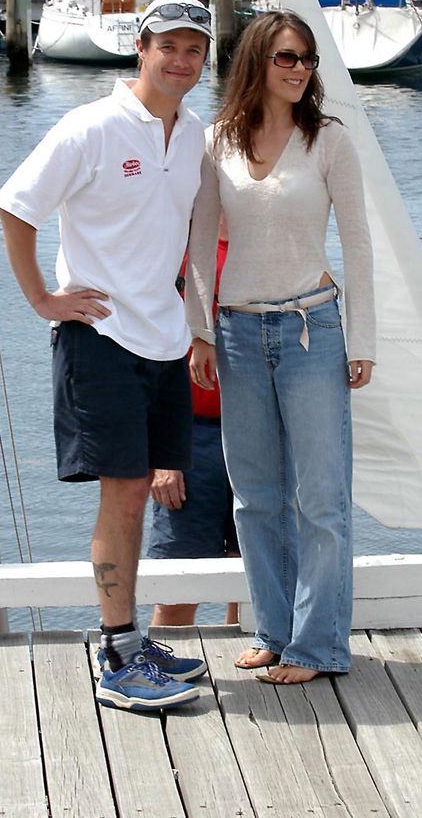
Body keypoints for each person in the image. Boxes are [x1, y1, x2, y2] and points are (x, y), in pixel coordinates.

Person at [0, 0, 213, 713]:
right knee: (121, 495)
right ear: (140, 47)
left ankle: (131, 642)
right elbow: (15, 205)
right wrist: (43, 300)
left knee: (138, 492)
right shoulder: (89, 126)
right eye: (167, 45)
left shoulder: (194, 136)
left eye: (194, 48)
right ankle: (118, 656)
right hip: (100, 338)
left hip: (165, 340)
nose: (180, 59)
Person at [186, 9, 376, 685]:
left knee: (321, 496)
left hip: (311, 329)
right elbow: (202, 241)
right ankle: (275, 631)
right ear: (258, 63)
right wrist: (200, 329)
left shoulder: (328, 141)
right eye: (287, 58)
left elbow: (357, 244)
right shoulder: (218, 141)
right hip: (236, 333)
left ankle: (318, 646)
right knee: (255, 495)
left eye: (307, 60)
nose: (300, 70)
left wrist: (363, 339)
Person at [147, 215, 239, 627]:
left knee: (253, 575)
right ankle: (162, 664)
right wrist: (162, 455)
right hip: (189, 435)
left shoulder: (273, 249)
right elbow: (149, 355)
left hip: (260, 432)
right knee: (178, 582)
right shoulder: (172, 254)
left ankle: (254, 665)